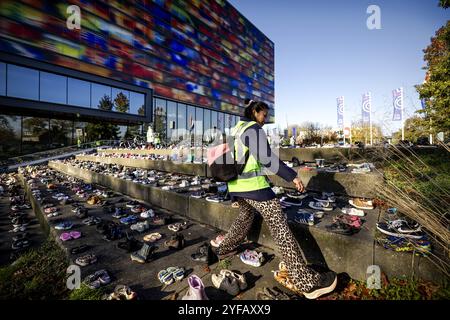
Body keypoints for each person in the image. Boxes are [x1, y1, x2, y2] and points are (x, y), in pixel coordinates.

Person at [216, 98, 337, 299]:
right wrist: (292, 176)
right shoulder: (253, 129)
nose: (265, 119)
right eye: (264, 114)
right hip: (255, 188)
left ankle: (225, 247)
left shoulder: (235, 130)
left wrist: (232, 194)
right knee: (281, 229)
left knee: (246, 216)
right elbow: (267, 158)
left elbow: (230, 163)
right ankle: (306, 282)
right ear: (255, 111)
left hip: (237, 187)